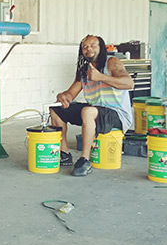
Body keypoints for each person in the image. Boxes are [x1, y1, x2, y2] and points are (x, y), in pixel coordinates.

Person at [50, 35, 134, 176]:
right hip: (95, 112)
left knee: (88, 111)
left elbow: (129, 84)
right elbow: (70, 94)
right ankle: (64, 154)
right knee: (56, 108)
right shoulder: (84, 70)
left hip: (117, 114)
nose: (88, 49)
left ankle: (85, 159)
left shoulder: (112, 62)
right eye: (85, 47)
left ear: (101, 47)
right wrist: (63, 96)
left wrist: (101, 77)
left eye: (93, 45)